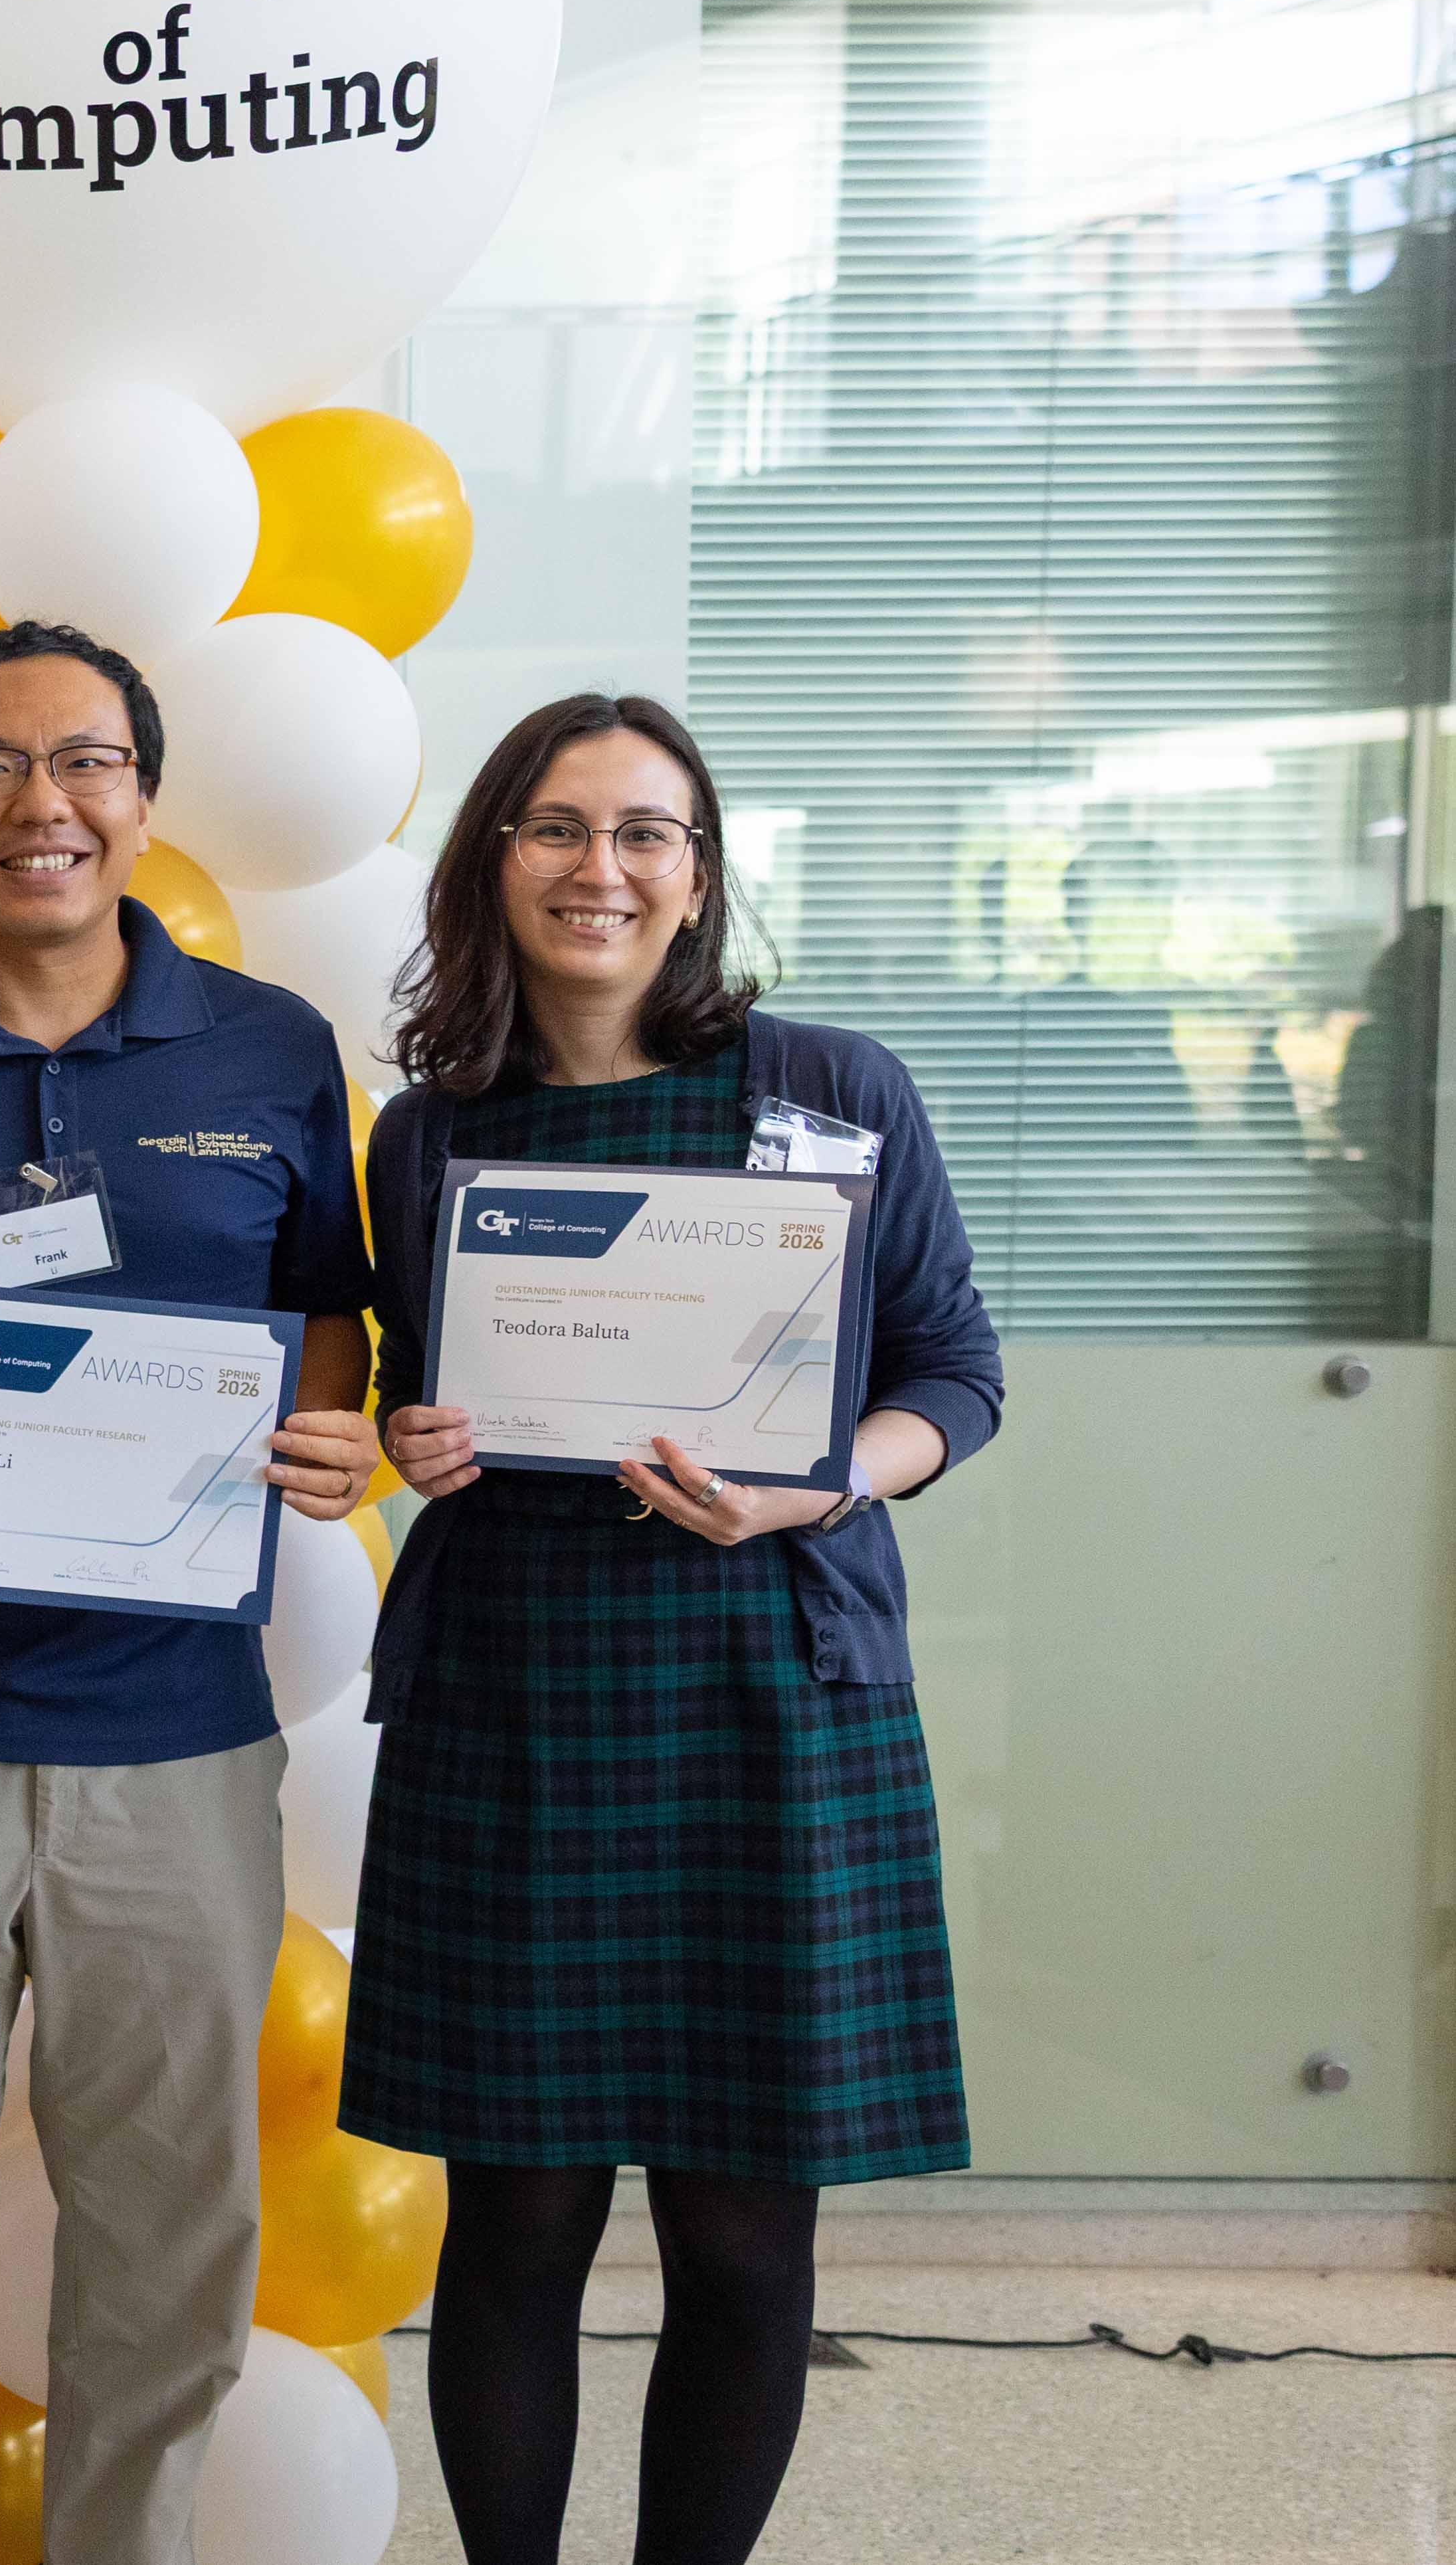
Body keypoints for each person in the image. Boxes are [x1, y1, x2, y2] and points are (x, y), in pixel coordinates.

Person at [0, 620, 383, 2565]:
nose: (45, 804)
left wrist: (332, 1433)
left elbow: (335, 1322)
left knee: (168, 2247)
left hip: (179, 1747)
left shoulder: (269, 1045)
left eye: (88, 760)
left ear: (145, 791)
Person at [355, 694, 996, 2565]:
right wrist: (417, 1430)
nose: (602, 868)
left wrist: (827, 1480)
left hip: (769, 1701)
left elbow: (955, 1372)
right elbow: (415, 1392)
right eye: (559, 828)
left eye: (648, 833)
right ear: (496, 859)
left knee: (743, 2229)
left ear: (700, 874)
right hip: (516, 1699)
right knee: (520, 2218)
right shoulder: (427, 1132)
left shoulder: (834, 1090)